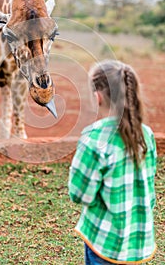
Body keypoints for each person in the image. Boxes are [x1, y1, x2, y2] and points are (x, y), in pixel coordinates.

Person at [68, 60, 157, 264]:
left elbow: (80, 194)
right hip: (137, 242)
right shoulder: (146, 135)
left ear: (97, 96)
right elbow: (149, 190)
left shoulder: (94, 138)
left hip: (105, 243)